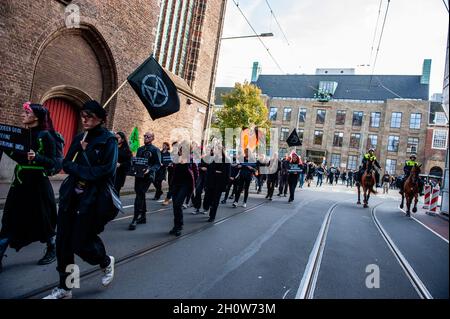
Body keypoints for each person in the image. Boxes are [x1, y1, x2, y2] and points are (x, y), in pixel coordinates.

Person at [44, 100, 118, 299]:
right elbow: (66, 164)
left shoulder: (108, 141)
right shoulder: (79, 138)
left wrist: (84, 158)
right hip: (71, 197)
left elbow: (106, 171)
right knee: (63, 244)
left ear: (101, 119)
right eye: (83, 116)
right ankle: (67, 287)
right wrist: (83, 167)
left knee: (80, 242)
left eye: (90, 116)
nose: (84, 119)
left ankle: (105, 261)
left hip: (92, 200)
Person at [0, 102, 58, 272]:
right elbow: (16, 155)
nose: (23, 114)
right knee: (10, 219)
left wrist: (38, 157)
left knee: (43, 219)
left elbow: (53, 163)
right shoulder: (20, 135)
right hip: (20, 183)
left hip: (38, 185)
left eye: (27, 112)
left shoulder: (47, 136)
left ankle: (51, 248)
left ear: (37, 117)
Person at [129, 132, 161, 230]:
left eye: (148, 136)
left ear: (152, 138)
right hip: (139, 175)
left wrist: (149, 169)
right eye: (144, 136)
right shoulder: (140, 149)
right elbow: (138, 161)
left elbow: (158, 164)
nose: (145, 138)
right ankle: (143, 217)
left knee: (139, 195)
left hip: (148, 176)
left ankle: (135, 218)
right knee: (140, 194)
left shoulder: (155, 150)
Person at [169, 142, 196, 236]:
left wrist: (194, 186)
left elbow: (195, 172)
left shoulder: (190, 159)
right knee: (175, 206)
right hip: (176, 184)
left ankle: (179, 226)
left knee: (178, 204)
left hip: (185, 185)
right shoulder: (176, 158)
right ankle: (176, 225)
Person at [204, 146, 230, 222]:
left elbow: (227, 173)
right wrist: (216, 172)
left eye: (216, 149)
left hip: (219, 184)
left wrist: (225, 185)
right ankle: (207, 207)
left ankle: (212, 216)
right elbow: (209, 170)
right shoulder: (212, 159)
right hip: (211, 182)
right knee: (208, 198)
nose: (214, 151)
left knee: (215, 200)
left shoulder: (226, 160)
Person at [114, 131, 132, 195]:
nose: (116, 139)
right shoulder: (112, 147)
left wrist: (120, 164)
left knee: (115, 192)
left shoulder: (126, 150)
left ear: (123, 139)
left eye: (118, 138)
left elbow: (129, 163)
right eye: (115, 138)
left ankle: (115, 205)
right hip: (110, 173)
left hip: (119, 174)